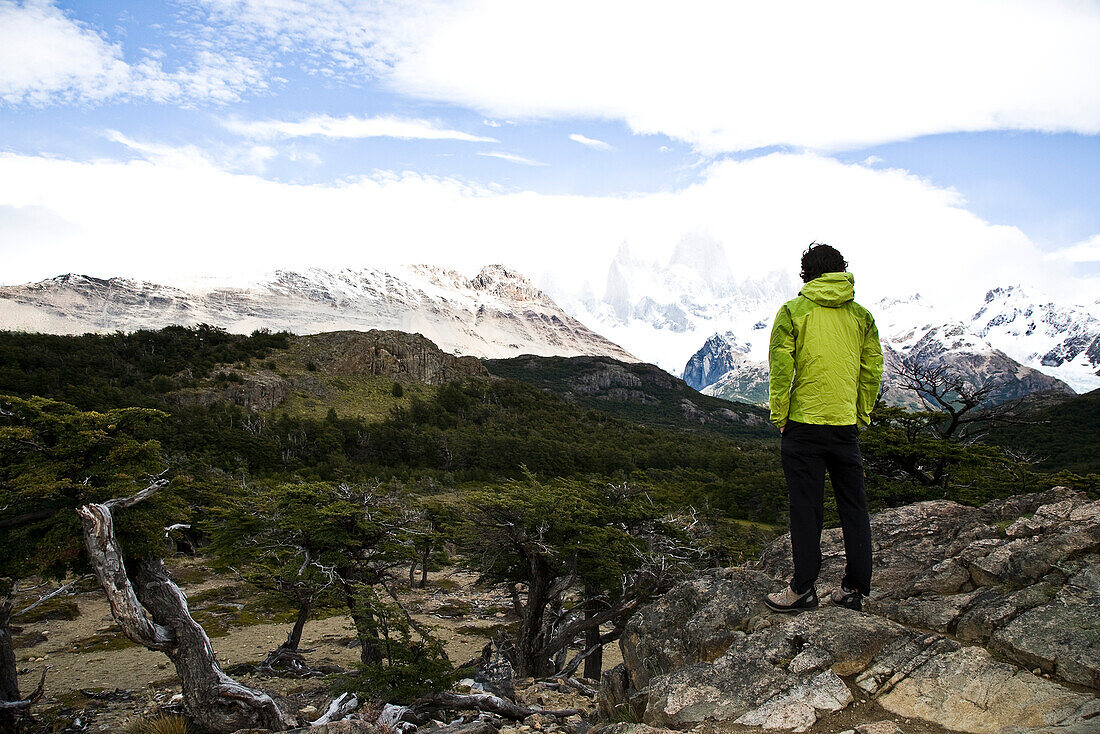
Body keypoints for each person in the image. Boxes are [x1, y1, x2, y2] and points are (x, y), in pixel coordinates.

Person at [764, 242, 884, 613]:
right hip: (845, 426)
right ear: (840, 271)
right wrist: (861, 413)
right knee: (854, 507)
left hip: (803, 425)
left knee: (806, 509)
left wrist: (780, 416)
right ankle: (854, 591)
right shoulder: (862, 317)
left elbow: (781, 369)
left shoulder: (793, 311)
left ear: (807, 274)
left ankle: (802, 590)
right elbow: (872, 370)